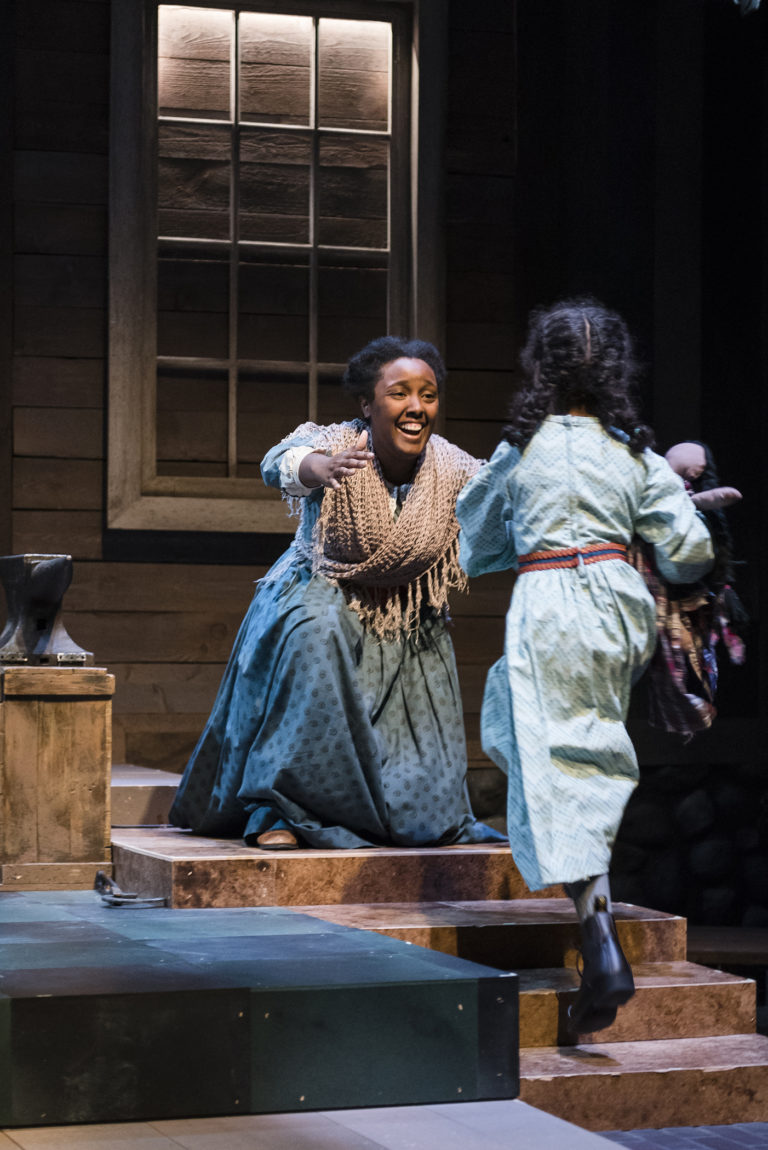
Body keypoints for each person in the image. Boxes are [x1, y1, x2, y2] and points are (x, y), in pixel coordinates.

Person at [455, 298, 714, 1033]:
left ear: (541, 366)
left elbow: (475, 544)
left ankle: (599, 936)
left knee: (550, 757)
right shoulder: (633, 453)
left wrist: (532, 530)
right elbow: (690, 553)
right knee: (583, 748)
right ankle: (594, 926)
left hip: (547, 604)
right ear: (616, 372)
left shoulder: (521, 451)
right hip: (617, 608)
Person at [169, 335, 505, 852]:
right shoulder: (336, 441)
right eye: (399, 393)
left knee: (426, 811)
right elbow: (280, 460)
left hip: (403, 609)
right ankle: (282, 808)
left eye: (428, 395)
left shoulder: (453, 467)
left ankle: (407, 813)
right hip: (322, 586)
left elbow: (498, 500)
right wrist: (318, 467)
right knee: (315, 632)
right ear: (368, 404)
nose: (416, 407)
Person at [631, 441, 746, 739]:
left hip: (676, 573)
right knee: (661, 640)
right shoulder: (658, 480)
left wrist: (691, 502)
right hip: (657, 567)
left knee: (669, 639)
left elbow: (728, 495)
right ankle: (678, 702)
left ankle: (681, 702)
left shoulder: (679, 494)